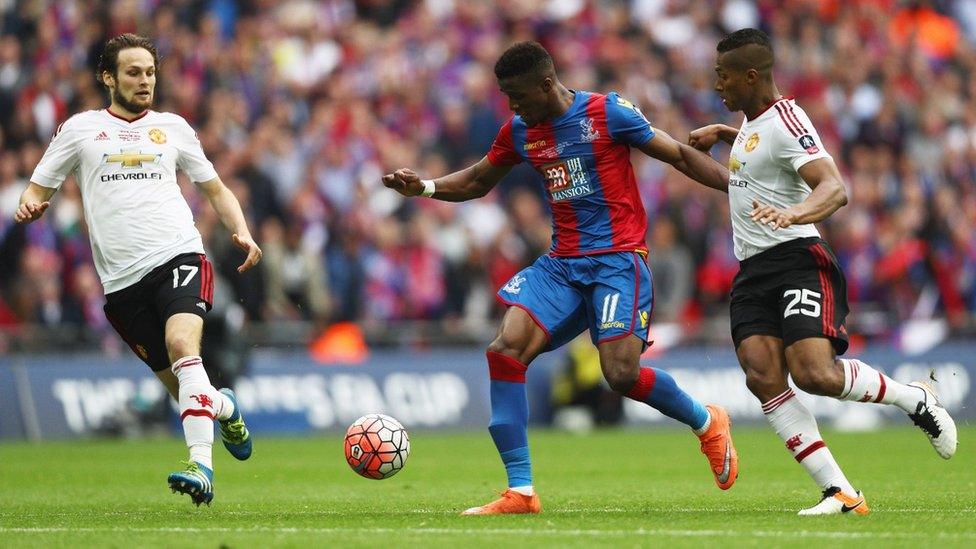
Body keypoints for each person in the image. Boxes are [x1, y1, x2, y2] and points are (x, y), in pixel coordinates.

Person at [384, 41, 737, 515]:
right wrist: (424, 186)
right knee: (505, 349)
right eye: (506, 97)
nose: (512, 106)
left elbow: (676, 154)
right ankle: (521, 491)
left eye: (518, 95)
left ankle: (706, 422)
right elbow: (475, 181)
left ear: (546, 84)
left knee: (620, 375)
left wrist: (738, 187)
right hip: (562, 265)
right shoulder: (520, 131)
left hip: (618, 261)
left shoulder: (607, 113)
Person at [688, 28, 957, 516]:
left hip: (797, 259)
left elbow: (835, 187)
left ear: (751, 76)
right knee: (762, 375)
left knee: (815, 374)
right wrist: (727, 133)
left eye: (723, 77)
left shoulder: (789, 118)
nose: (716, 86)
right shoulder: (752, 124)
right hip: (752, 270)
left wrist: (796, 214)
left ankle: (914, 398)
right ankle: (841, 493)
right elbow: (762, 153)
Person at [13, 33, 262, 506]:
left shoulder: (174, 128)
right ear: (108, 77)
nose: (144, 80)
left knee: (182, 344)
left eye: (149, 72)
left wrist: (243, 231)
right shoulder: (80, 130)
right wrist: (29, 207)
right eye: (133, 72)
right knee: (184, 388)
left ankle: (202, 469)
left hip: (179, 255)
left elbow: (216, 190)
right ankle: (225, 406)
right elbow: (36, 189)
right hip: (121, 284)